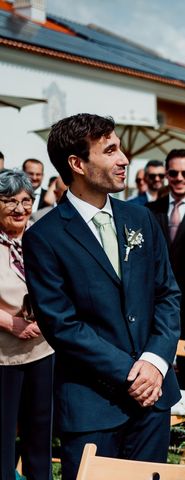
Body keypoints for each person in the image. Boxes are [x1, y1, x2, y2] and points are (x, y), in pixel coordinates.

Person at [22, 113, 181, 480]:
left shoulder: (140, 219)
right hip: (91, 405)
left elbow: (167, 294)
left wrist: (155, 363)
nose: (124, 159)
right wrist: (130, 373)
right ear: (77, 164)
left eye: (121, 148)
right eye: (110, 151)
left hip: (153, 398)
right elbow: (61, 324)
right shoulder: (44, 237)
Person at [0, 170, 54, 480]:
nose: (20, 209)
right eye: (10, 201)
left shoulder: (41, 237)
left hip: (43, 349)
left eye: (26, 201)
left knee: (40, 433)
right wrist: (12, 324)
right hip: (4, 354)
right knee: (4, 436)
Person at [147, 149, 185, 391]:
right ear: (166, 174)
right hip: (156, 299)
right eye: (174, 173)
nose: (180, 178)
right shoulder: (150, 210)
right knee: (155, 357)